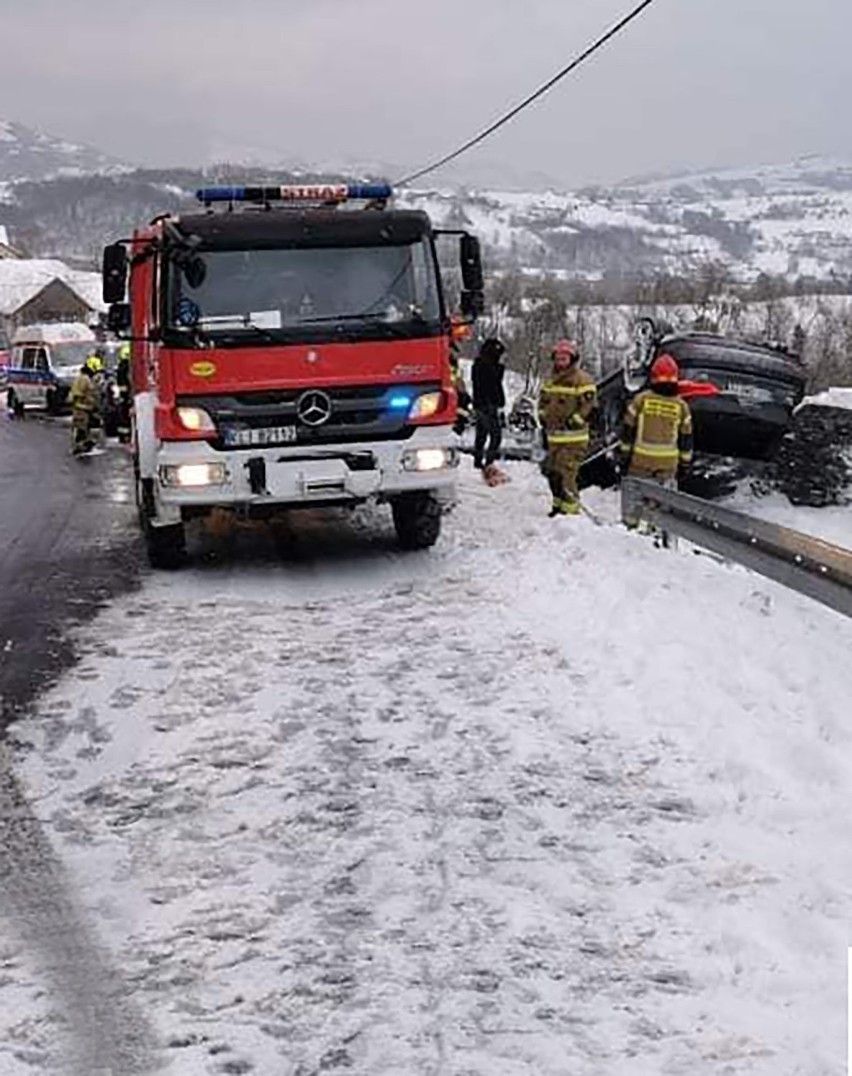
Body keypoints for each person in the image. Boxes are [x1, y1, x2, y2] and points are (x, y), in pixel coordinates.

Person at [619, 352, 693, 529]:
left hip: (640, 463)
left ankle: (630, 531)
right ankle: (655, 533)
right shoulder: (681, 406)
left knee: (634, 501)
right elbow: (686, 440)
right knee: (661, 506)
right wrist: (685, 465)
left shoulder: (641, 400)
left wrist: (624, 456)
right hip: (668, 466)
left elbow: (627, 431)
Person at [538, 340, 597, 517]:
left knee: (567, 475)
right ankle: (558, 505)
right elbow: (543, 401)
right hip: (554, 438)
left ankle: (571, 512)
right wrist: (542, 416)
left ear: (572, 359)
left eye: (564, 358)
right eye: (558, 358)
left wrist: (576, 420)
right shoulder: (550, 380)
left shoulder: (582, 380)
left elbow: (590, 407)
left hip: (574, 439)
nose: (560, 362)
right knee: (553, 474)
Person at [472, 337, 507, 482]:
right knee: (495, 435)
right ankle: (489, 463)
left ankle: (478, 461)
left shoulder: (478, 364)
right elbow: (494, 384)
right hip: (488, 404)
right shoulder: (487, 366)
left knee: (481, 434)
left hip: (480, 403)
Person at [68, 356, 102, 456]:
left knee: (88, 428)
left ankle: (86, 445)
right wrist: (79, 405)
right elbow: (77, 394)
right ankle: (79, 446)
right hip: (81, 409)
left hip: (87, 409)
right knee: (81, 429)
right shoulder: (83, 379)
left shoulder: (87, 379)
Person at [116, 342, 132, 443]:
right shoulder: (124, 366)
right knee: (124, 414)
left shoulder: (122, 366)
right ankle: (124, 436)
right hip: (126, 395)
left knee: (123, 414)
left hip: (125, 395)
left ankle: (124, 436)